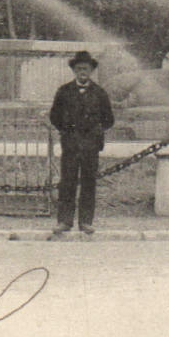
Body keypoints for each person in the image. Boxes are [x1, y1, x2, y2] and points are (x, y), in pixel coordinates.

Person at [48, 50, 114, 235]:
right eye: (79, 69)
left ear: (91, 70)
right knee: (67, 183)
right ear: (74, 70)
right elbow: (54, 116)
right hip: (70, 144)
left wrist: (95, 133)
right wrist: (68, 131)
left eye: (86, 68)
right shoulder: (64, 91)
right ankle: (64, 221)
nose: (82, 72)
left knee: (88, 183)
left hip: (90, 146)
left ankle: (85, 222)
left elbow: (109, 119)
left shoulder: (100, 93)